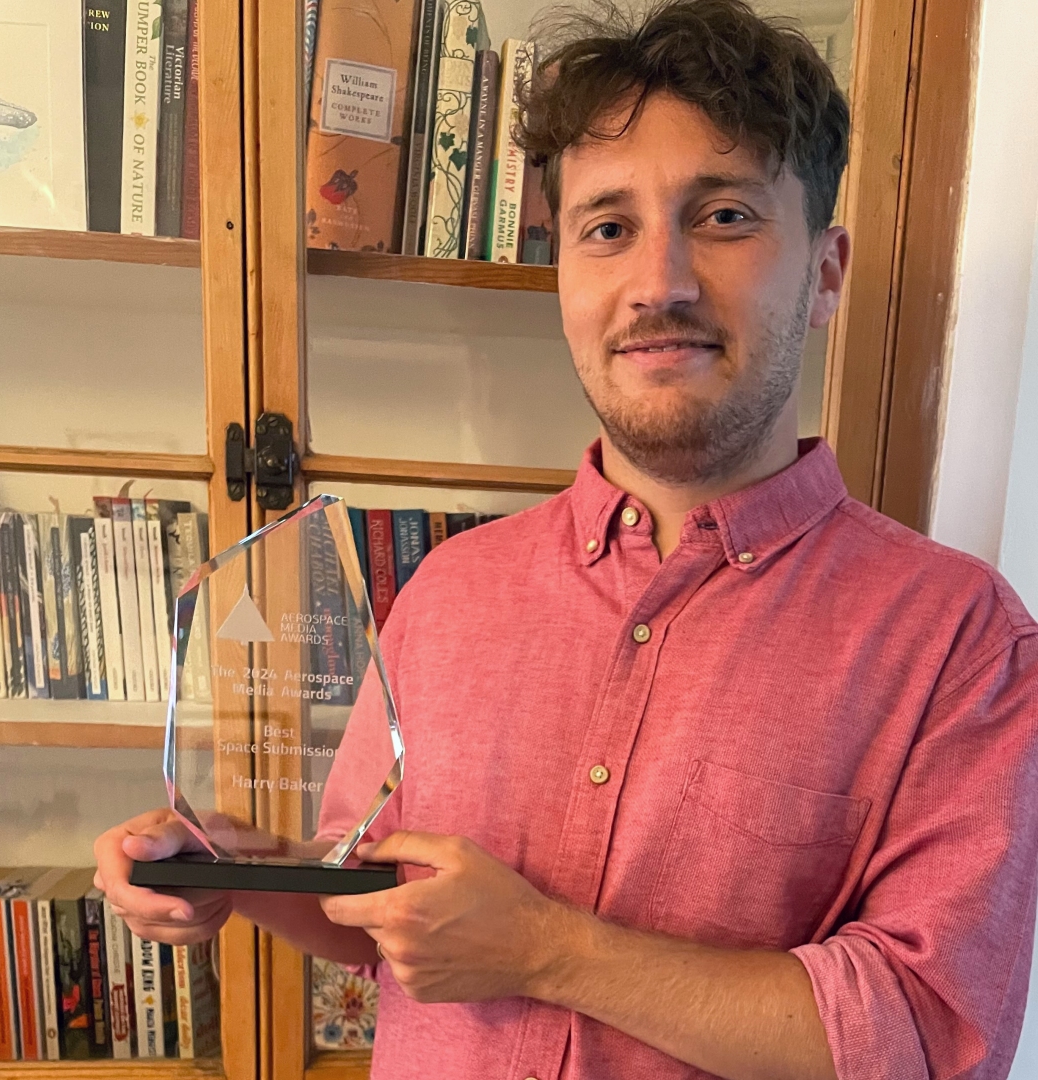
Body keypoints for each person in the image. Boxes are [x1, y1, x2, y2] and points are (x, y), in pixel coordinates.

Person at [94, 1, 1038, 1077]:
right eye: (608, 228)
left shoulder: (961, 643)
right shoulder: (450, 592)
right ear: (564, 272)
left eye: (725, 216)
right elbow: (375, 903)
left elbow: (928, 1034)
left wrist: (547, 951)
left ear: (826, 273)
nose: (660, 283)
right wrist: (234, 873)